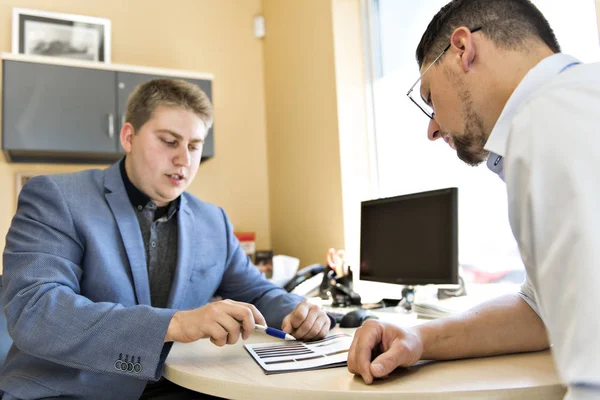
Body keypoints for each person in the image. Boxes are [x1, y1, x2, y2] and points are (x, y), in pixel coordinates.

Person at [0, 78, 332, 399]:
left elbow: (257, 291)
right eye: (169, 141)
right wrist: (174, 324)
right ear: (129, 137)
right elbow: (35, 312)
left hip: (176, 386)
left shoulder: (213, 221)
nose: (184, 160)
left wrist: (297, 310)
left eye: (194, 146)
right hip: (67, 391)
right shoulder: (56, 197)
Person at [347, 1, 600, 398]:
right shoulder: (574, 105)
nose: (431, 130)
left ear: (462, 49)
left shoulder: (547, 121)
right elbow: (541, 310)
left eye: (429, 98)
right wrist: (419, 338)